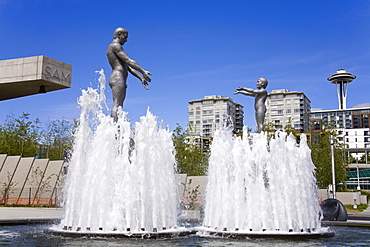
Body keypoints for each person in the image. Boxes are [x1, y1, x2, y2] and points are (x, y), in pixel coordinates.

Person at [107, 27, 152, 122]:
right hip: (117, 78)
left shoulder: (116, 47)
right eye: (125, 37)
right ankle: (116, 130)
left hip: (119, 78)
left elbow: (128, 67)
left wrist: (140, 77)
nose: (126, 40)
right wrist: (143, 71)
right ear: (119, 35)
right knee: (117, 104)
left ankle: (117, 128)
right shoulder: (115, 46)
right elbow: (129, 60)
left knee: (119, 105)